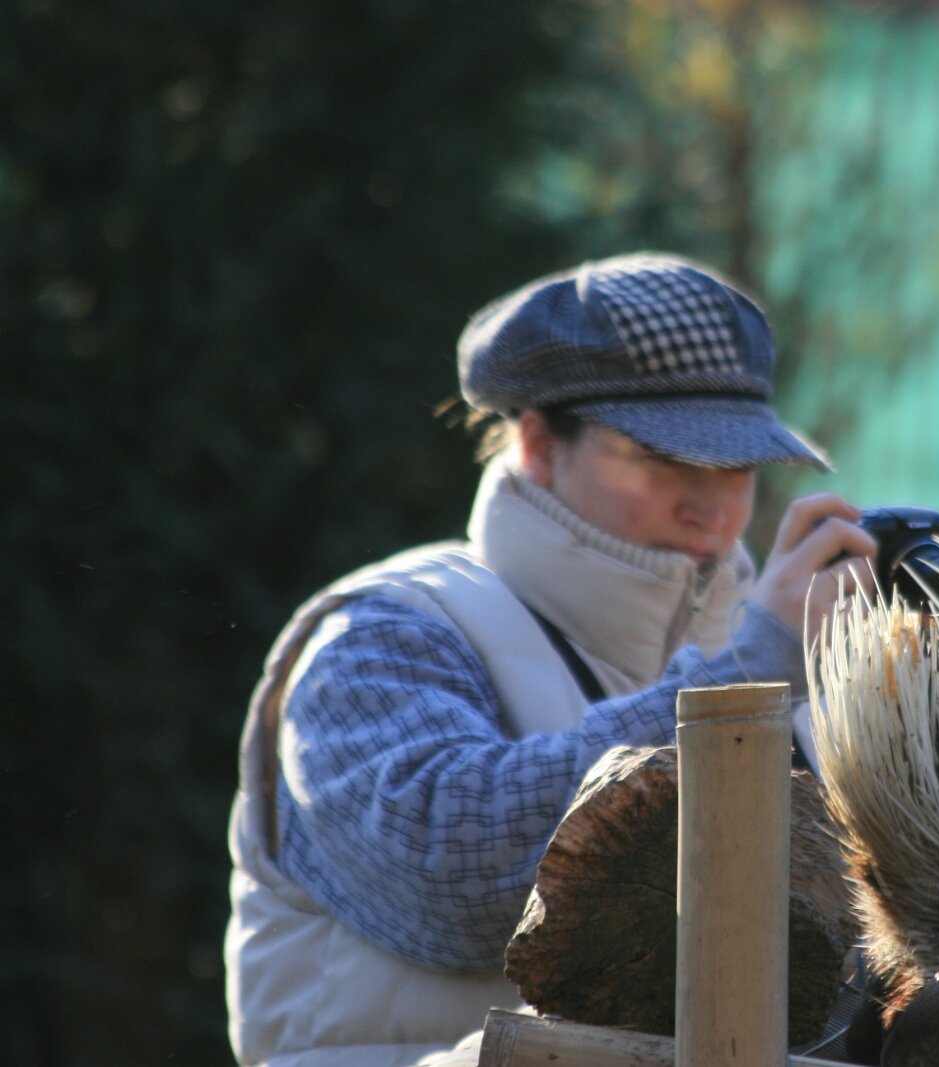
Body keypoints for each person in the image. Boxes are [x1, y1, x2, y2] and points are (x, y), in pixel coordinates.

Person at [224, 252, 878, 1067]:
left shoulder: (771, 655)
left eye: (737, 466)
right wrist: (750, 685)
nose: (712, 508)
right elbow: (455, 877)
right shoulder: (382, 630)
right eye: (664, 457)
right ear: (537, 443)